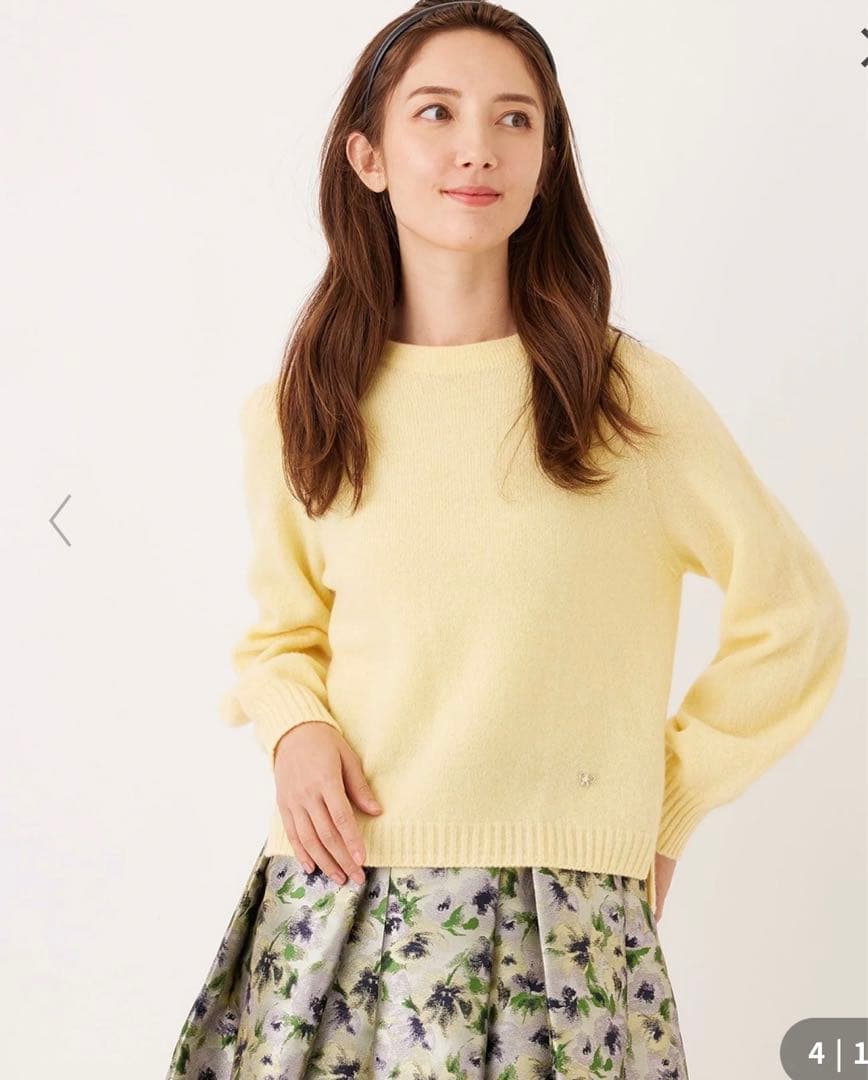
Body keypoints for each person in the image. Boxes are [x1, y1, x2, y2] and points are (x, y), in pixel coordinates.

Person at [165, 3, 849, 1077]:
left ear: (546, 160)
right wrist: (293, 726)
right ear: (367, 157)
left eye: (515, 118)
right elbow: (282, 634)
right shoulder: (299, 410)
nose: (478, 146)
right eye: (436, 112)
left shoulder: (623, 399)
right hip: (338, 908)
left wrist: (663, 809)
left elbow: (796, 618)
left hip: (560, 926)